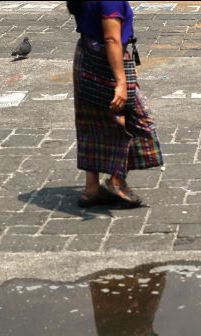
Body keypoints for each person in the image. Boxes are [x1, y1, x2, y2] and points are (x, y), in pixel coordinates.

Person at [67, 1, 163, 208]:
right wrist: (121, 81)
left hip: (85, 58)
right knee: (141, 123)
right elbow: (111, 39)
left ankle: (91, 189)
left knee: (92, 125)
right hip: (107, 65)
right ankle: (116, 182)